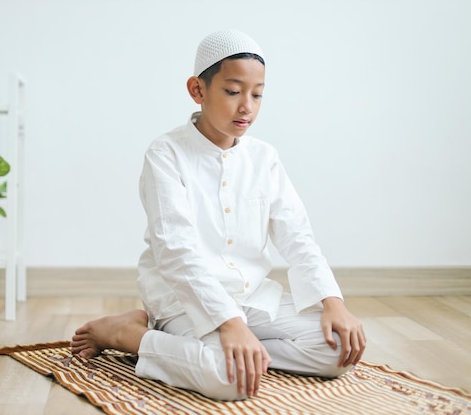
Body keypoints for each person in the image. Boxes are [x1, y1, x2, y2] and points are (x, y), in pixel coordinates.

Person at [71, 29, 366, 401]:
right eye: (232, 91)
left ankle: (238, 350)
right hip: (185, 300)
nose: (247, 106)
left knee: (340, 350)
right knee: (230, 381)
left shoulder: (264, 158)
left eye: (257, 94)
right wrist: (227, 322)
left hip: (253, 296)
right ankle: (125, 334)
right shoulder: (166, 154)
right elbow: (175, 251)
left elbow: (297, 235)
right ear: (198, 90)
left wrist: (332, 302)